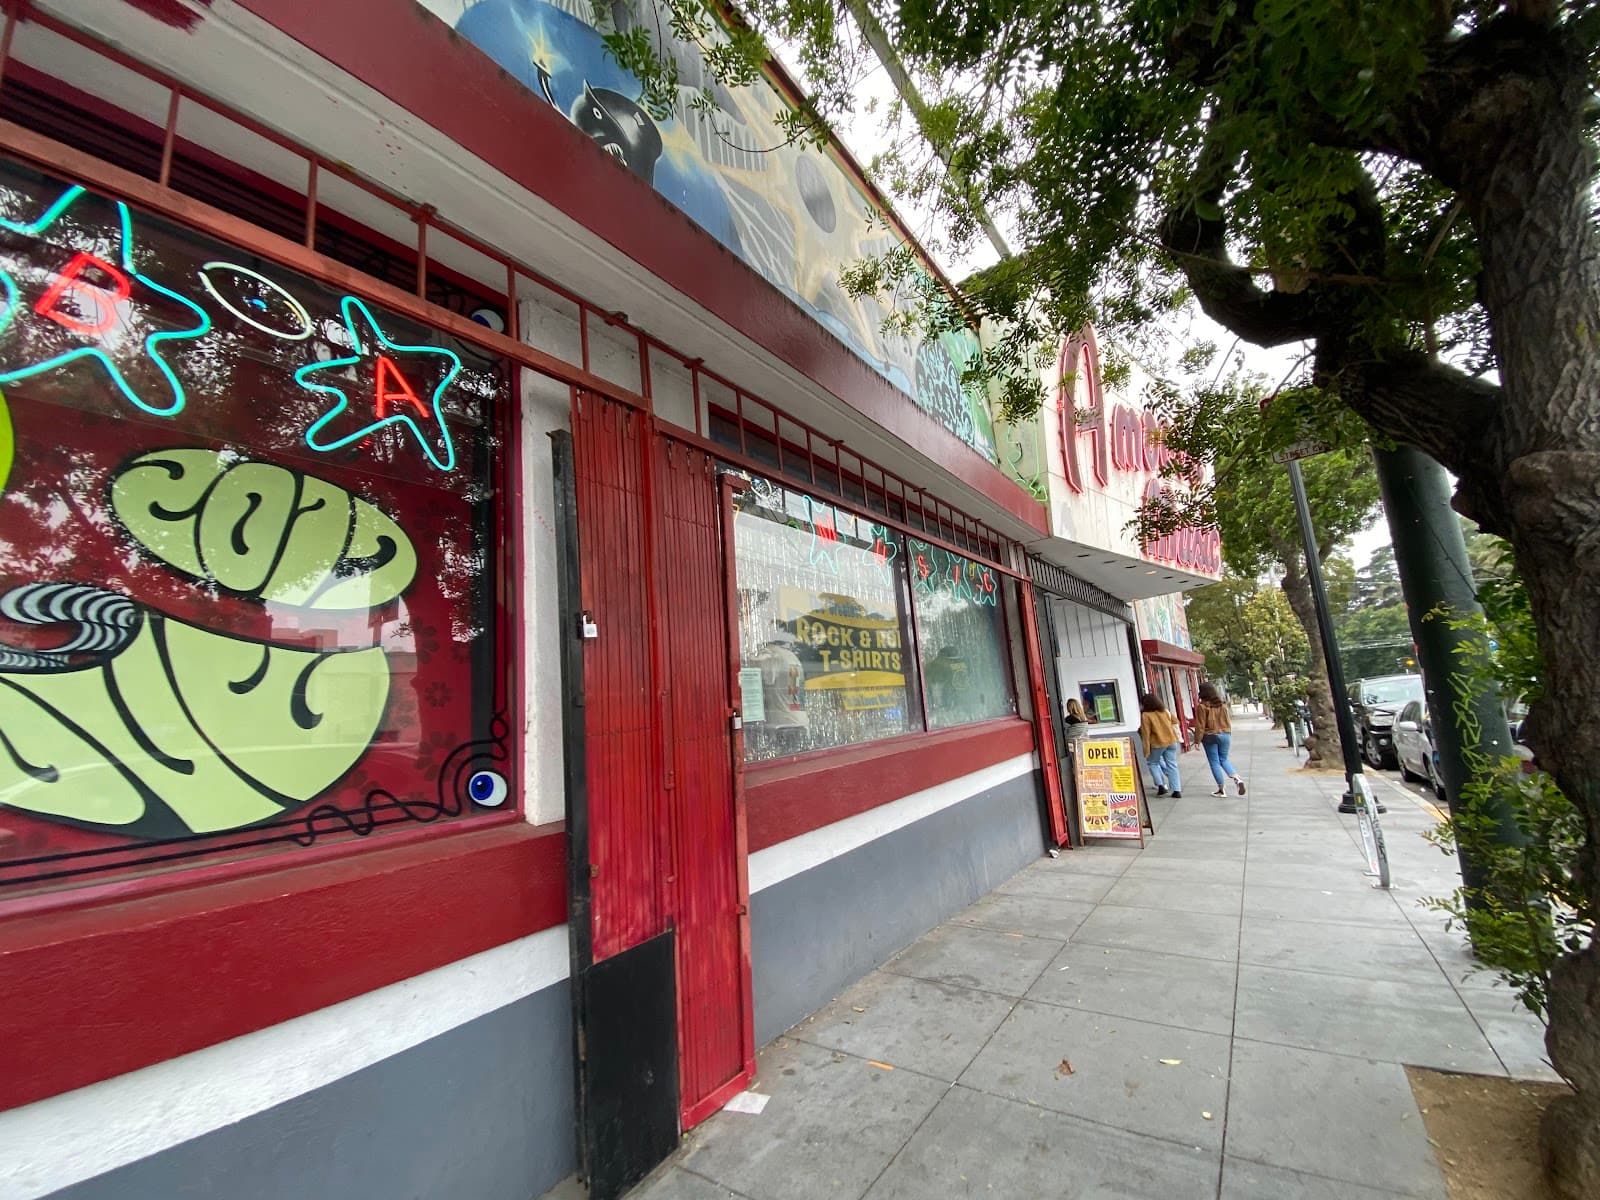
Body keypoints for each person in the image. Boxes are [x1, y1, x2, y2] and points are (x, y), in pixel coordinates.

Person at [1194, 682, 1246, 795]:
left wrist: (1197, 740)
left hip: (1210, 735)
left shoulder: (1202, 706)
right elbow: (1227, 721)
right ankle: (1237, 778)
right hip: (1225, 734)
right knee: (1223, 759)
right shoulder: (1222, 705)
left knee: (1214, 762)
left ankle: (1221, 790)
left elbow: (1200, 725)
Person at [1138, 693, 1183, 798]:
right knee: (1172, 765)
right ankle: (1177, 790)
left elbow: (1146, 733)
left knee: (1152, 763)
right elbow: (1176, 721)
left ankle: (1161, 786)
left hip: (1157, 743)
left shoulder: (1146, 715)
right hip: (1171, 741)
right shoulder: (1165, 711)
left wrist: (1146, 749)